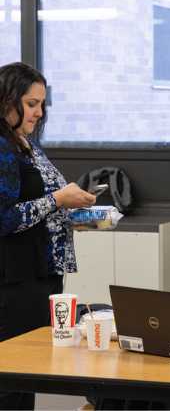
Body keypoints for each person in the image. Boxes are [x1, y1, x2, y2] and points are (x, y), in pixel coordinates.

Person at [0, 62, 96, 409]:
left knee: (28, 377)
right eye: (31, 103)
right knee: (13, 381)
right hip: (14, 282)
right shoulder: (3, 147)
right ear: (6, 100)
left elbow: (42, 206)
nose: (39, 112)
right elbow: (4, 218)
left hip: (39, 277)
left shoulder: (25, 143)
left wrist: (74, 213)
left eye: (43, 104)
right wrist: (58, 200)